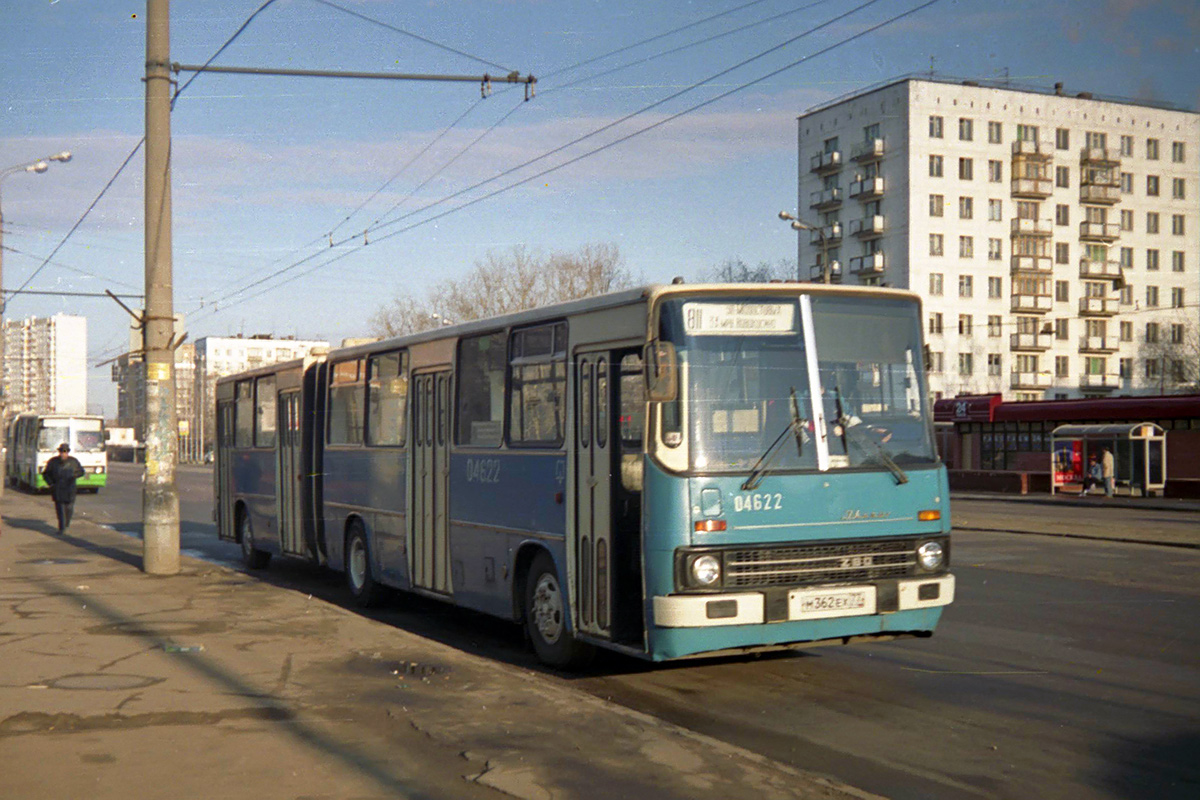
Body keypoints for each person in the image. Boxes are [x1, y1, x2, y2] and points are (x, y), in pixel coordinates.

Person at [42, 443, 85, 534]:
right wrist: (51, 483)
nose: (63, 454)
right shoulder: (53, 462)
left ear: (68, 452)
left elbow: (81, 471)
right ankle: (62, 527)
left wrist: (74, 475)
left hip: (70, 488)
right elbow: (45, 474)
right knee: (60, 509)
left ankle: (66, 524)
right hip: (58, 488)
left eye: (65, 452)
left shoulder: (73, 461)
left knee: (69, 508)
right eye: (61, 451)